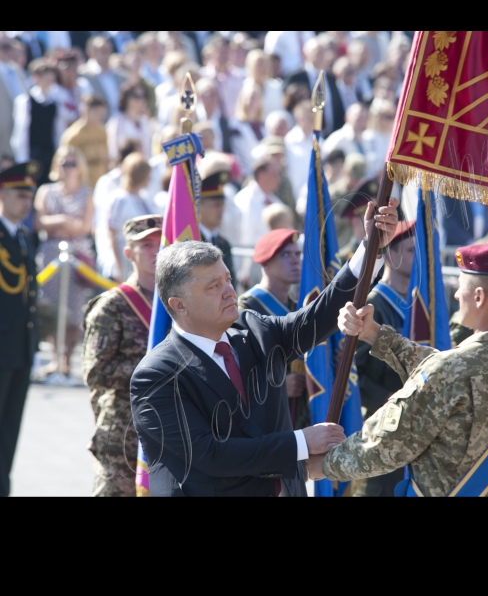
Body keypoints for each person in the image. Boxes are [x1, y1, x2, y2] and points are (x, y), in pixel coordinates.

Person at [130, 197, 400, 497]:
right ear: (178, 305)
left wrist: (371, 247)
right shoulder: (155, 375)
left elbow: (317, 316)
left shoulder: (253, 328)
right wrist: (301, 443)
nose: (229, 292)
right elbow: (208, 454)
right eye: (213, 287)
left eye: (227, 279)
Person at [308, 243, 488, 497]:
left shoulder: (449, 371)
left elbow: (385, 445)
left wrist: (325, 464)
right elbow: (446, 369)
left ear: (479, 297)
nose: (456, 295)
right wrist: (373, 334)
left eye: (460, 287)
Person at [82, 215, 163, 497]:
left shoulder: (177, 305)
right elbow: (95, 373)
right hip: (122, 435)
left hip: (168, 432)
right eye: (147, 245)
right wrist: (152, 366)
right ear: (129, 253)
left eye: (161, 243)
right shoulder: (112, 306)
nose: (156, 252)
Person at [355, 220, 415, 497]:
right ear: (390, 255)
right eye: (412, 250)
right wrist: (386, 397)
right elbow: (356, 371)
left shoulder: (421, 302)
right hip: (385, 418)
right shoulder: (374, 304)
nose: (419, 257)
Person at [238, 229, 310, 430]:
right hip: (264, 418)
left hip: (299, 414)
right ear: (266, 262)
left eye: (297, 254)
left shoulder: (298, 307)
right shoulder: (247, 309)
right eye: (285, 255)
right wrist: (277, 386)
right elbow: (239, 367)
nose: (295, 261)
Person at [34, 146, 94, 379]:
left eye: (72, 164)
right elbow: (39, 222)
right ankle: (56, 358)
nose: (67, 168)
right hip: (51, 254)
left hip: (77, 254)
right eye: (63, 163)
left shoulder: (87, 193)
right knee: (52, 307)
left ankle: (67, 359)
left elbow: (85, 226)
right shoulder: (47, 191)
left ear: (80, 169)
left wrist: (63, 224)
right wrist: (64, 220)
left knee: (74, 309)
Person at [0, 162, 39, 497]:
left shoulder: (25, 237)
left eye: (29, 196)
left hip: (20, 350)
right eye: (19, 195)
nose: (26, 203)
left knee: (9, 428)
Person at [106, 153, 153, 283]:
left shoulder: (143, 199)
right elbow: (112, 233)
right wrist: (118, 265)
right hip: (124, 257)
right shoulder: (119, 199)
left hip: (140, 258)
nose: (150, 178)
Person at [198, 158, 236, 289]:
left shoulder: (224, 244)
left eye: (222, 205)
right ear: (199, 207)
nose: (221, 211)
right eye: (216, 205)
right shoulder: (191, 241)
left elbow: (232, 285)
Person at [59, 96, 109, 188]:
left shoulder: (102, 132)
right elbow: (65, 164)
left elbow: (106, 160)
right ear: (86, 111)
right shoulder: (72, 136)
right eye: (97, 113)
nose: (100, 117)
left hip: (100, 184)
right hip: (82, 187)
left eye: (102, 114)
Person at [106, 81, 154, 163]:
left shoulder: (145, 121)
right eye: (137, 96)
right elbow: (114, 153)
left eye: (144, 96)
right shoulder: (117, 122)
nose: (142, 100)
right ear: (127, 98)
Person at [337, 178, 380, 266]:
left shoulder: (387, 253)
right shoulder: (342, 259)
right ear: (355, 220)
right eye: (371, 214)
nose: (377, 217)